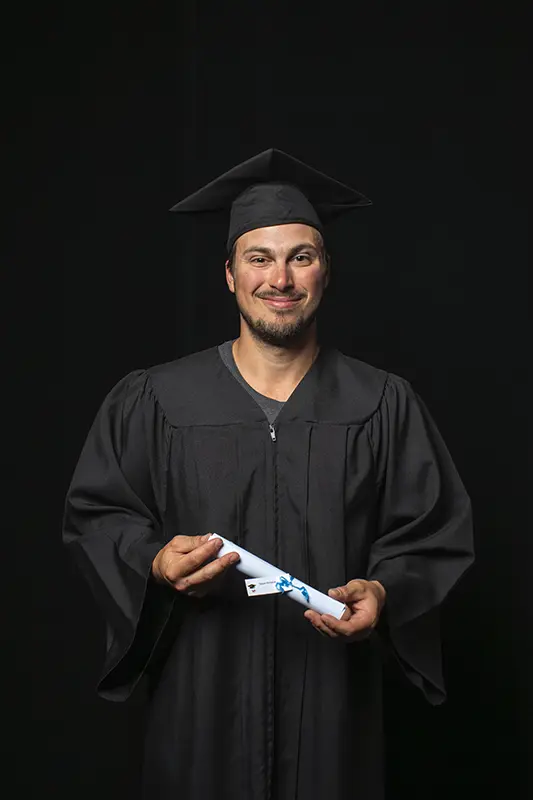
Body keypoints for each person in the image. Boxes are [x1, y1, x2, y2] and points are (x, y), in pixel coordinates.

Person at [63, 148, 474, 800]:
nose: (278, 277)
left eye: (300, 257)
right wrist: (152, 561)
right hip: (200, 705)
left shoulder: (381, 403)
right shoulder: (157, 400)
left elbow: (431, 533)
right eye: (259, 258)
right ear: (229, 274)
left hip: (334, 711)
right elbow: (97, 515)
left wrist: (386, 591)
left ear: (324, 272)